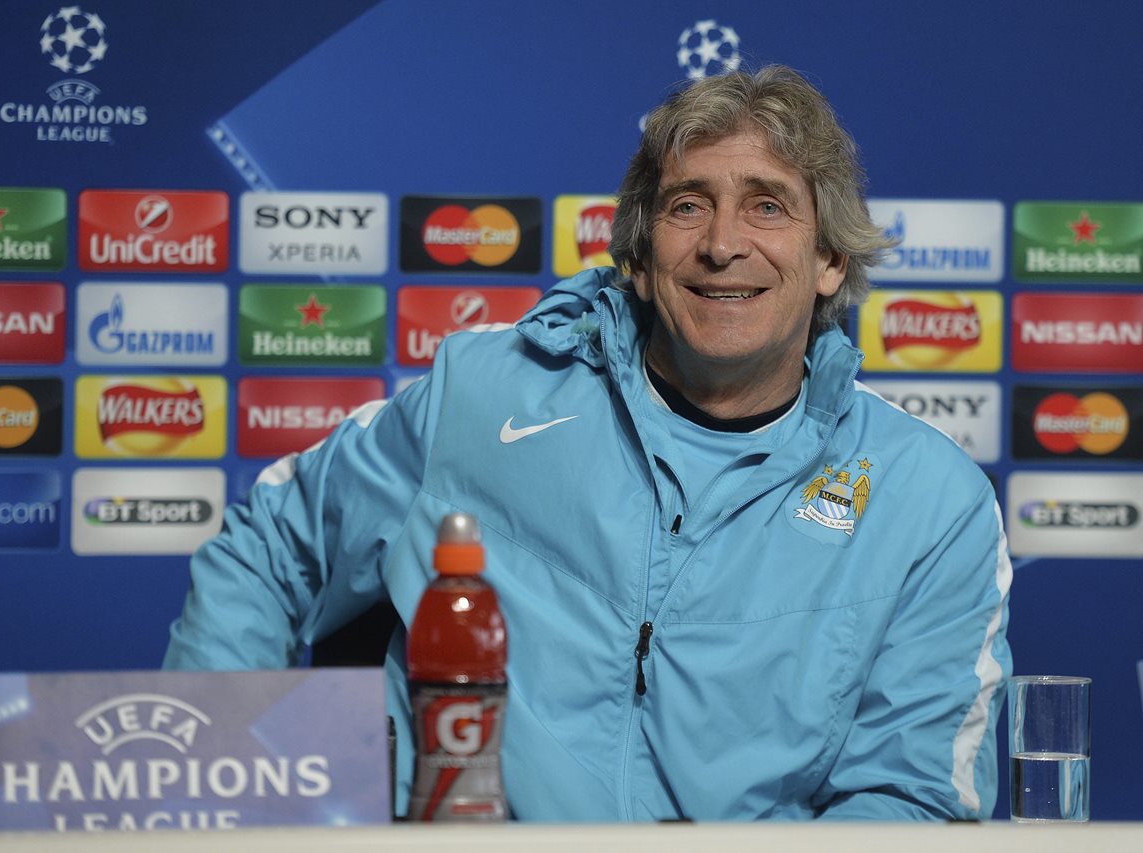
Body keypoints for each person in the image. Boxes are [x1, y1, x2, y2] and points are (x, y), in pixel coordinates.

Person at [165, 65, 1012, 822]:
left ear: (828, 257)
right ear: (640, 256)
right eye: (688, 206)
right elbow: (271, 549)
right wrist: (217, 790)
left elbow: (915, 798)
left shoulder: (928, 500)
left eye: (767, 205)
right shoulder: (484, 393)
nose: (723, 245)